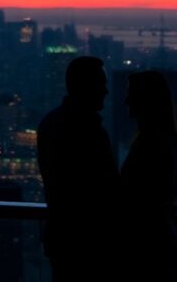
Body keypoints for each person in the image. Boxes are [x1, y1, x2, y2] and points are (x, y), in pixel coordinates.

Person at [37, 56, 119, 281]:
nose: (106, 91)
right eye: (101, 84)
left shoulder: (49, 123)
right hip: (89, 241)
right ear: (87, 87)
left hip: (60, 237)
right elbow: (108, 188)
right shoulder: (90, 132)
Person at [119, 70, 177, 281]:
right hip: (160, 244)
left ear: (146, 100)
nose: (126, 100)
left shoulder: (150, 145)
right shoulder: (166, 142)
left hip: (146, 247)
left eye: (131, 94)